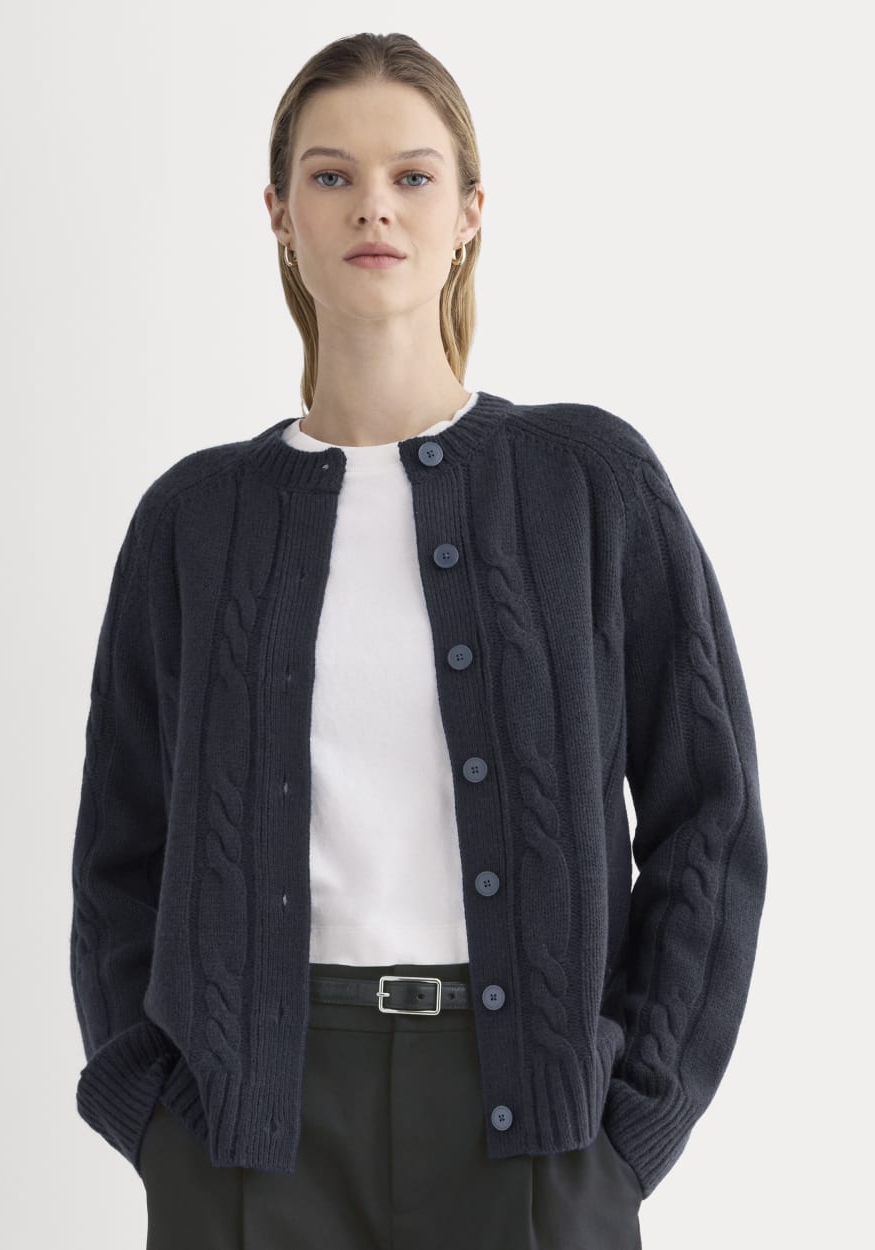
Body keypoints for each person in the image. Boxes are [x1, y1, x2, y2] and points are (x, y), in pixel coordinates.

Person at [69, 31, 768, 1250]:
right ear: (279, 215)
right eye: (331, 176)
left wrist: (636, 1118)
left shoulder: (588, 483)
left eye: (412, 175)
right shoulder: (193, 519)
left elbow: (709, 810)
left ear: (469, 213)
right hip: (248, 1131)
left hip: (534, 1126)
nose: (373, 206)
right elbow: (118, 851)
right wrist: (153, 1114)